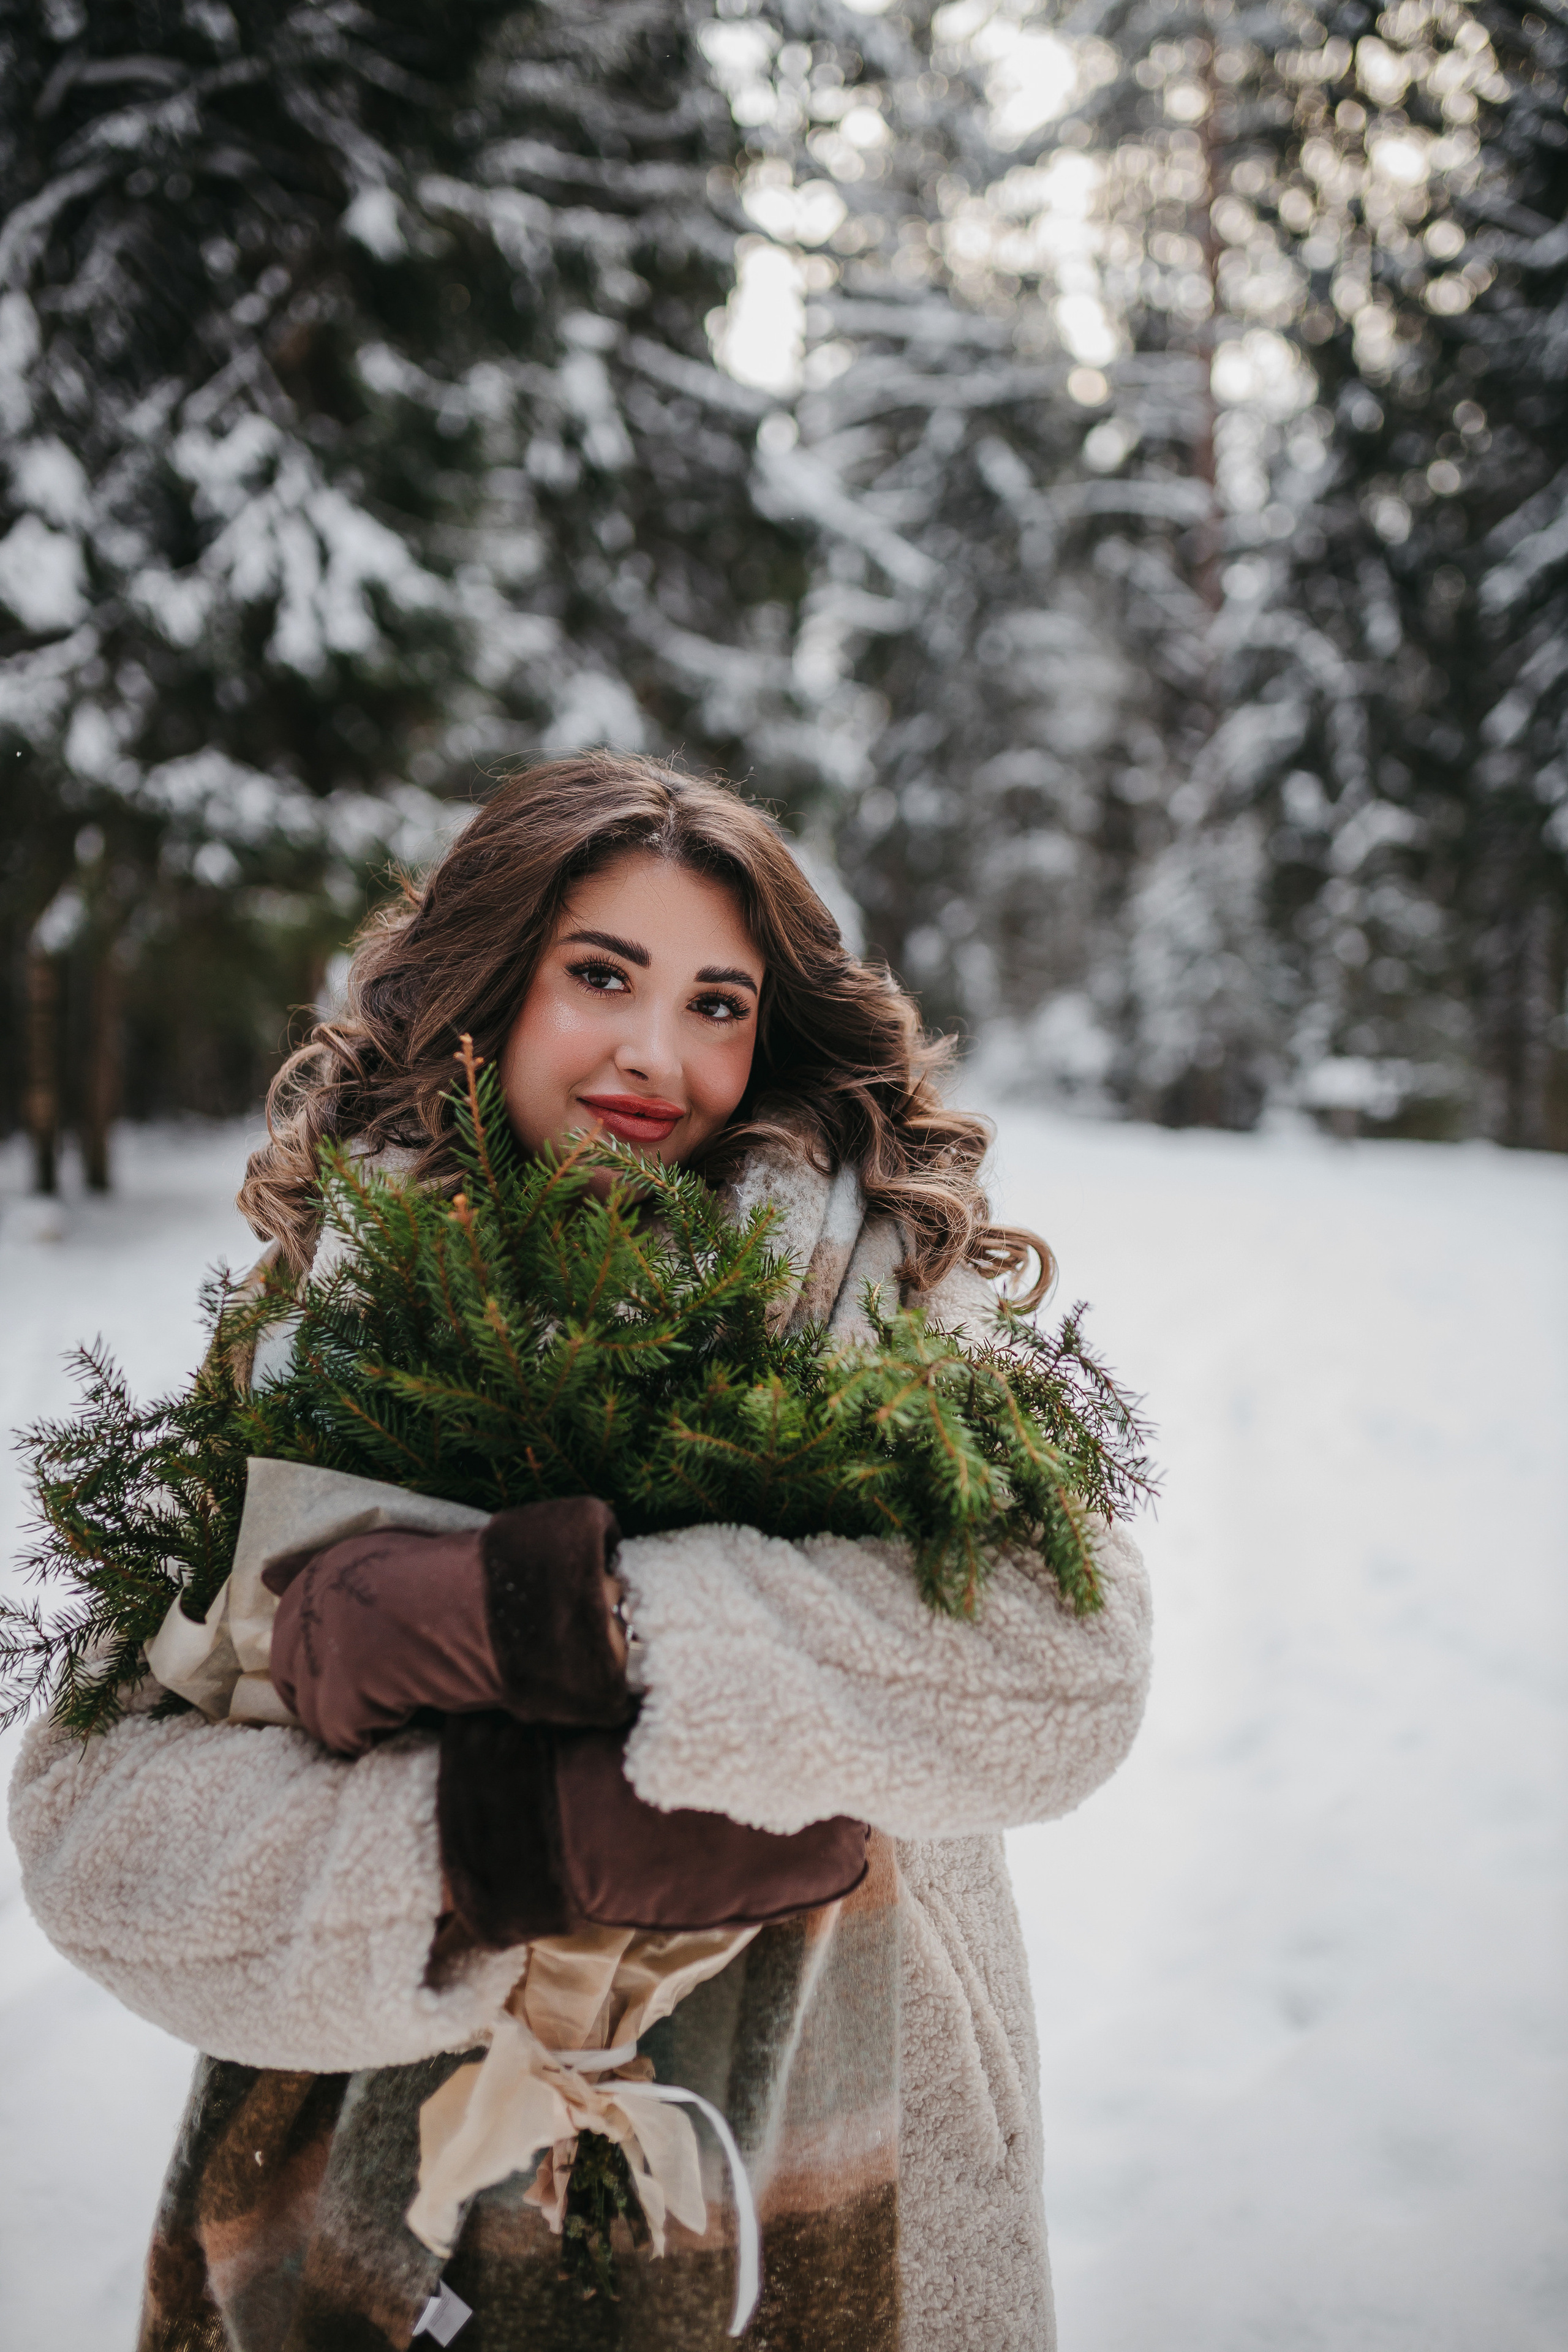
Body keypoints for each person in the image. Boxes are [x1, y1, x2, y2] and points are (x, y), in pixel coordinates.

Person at [11, 755, 1152, 2352]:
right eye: (601, 975)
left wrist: (569, 1620)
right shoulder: (319, 1332)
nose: (655, 1053)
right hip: (356, 2234)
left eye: (717, 1001)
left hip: (845, 2189)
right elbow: (88, 1824)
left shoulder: (876, 1314)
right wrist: (497, 1851)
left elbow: (1065, 1671)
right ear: (488, 983)